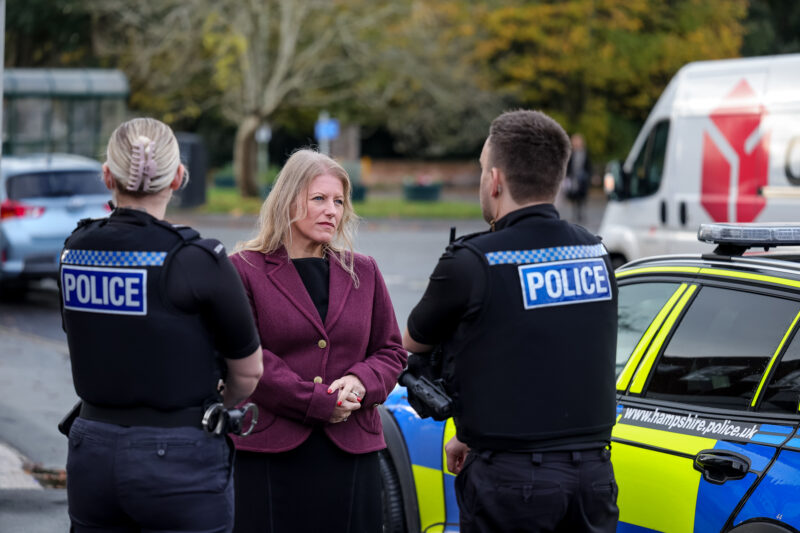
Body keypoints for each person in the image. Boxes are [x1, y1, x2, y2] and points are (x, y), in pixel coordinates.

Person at [404, 110, 619, 532]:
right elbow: (550, 349)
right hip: (594, 479)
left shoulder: (473, 262)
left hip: (512, 484)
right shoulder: (596, 253)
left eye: (483, 168)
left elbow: (409, 346)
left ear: (496, 180)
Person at [59, 117, 264, 533]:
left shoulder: (74, 251)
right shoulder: (197, 260)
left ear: (106, 175)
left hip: (91, 452)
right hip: (179, 461)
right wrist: (224, 403)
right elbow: (249, 370)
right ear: (178, 177)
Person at [229, 149, 407, 533]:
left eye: (339, 201)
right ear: (289, 200)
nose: (332, 210)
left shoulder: (364, 270)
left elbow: (391, 351)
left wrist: (362, 380)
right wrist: (317, 402)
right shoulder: (244, 269)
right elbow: (247, 358)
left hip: (351, 449)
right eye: (319, 199)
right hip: (271, 451)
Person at [564, 133, 592, 223]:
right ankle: (575, 214)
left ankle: (581, 214)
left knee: (582, 197)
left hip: (583, 179)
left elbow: (589, 166)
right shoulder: (571, 153)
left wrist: (589, 176)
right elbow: (568, 166)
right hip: (573, 178)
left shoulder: (585, 153)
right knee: (574, 196)